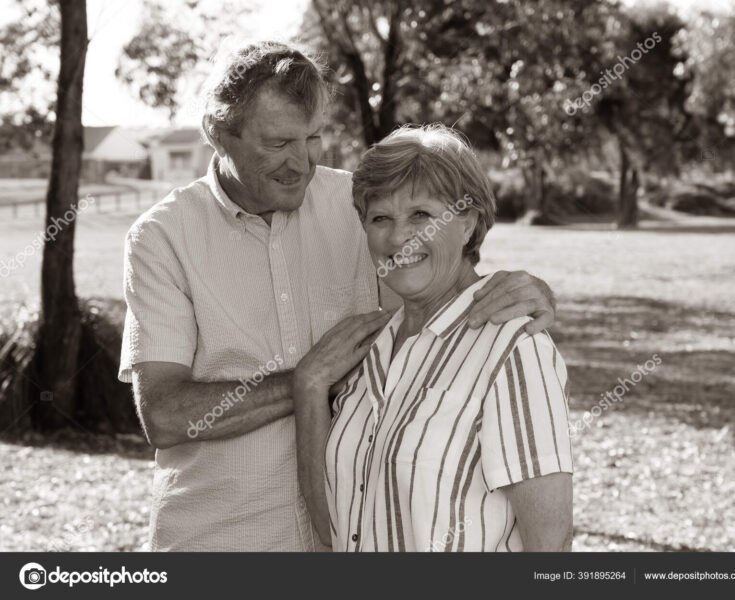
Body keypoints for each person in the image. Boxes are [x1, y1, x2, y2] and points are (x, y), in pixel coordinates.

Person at [119, 41, 558, 551]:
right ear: (218, 134)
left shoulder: (363, 207)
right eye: (278, 143)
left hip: (355, 541)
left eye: (313, 138)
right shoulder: (162, 237)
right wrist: (307, 379)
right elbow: (165, 415)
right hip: (218, 541)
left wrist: (526, 292)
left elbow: (439, 293)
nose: (301, 162)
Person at [294, 124, 572, 551]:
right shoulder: (367, 351)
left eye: (421, 214)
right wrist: (310, 388)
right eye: (380, 218)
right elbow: (334, 527)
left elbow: (551, 546)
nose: (398, 236)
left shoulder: (513, 346)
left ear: (468, 224)